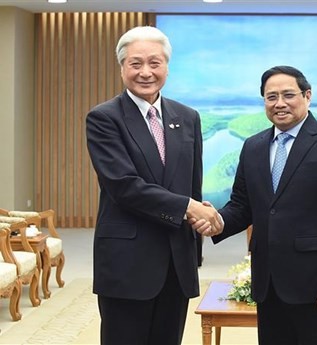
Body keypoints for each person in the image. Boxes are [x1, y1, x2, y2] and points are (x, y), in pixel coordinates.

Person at [193, 65, 317, 344]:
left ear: (307, 96)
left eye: (288, 95)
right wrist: (217, 221)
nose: (280, 103)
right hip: (269, 284)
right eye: (271, 97)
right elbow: (242, 205)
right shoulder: (253, 146)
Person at [86, 26, 222, 345]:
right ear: (122, 67)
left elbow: (193, 185)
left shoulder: (187, 117)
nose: (146, 72)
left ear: (166, 67)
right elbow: (123, 186)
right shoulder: (104, 118)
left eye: (154, 63)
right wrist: (187, 207)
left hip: (177, 261)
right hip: (127, 262)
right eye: (136, 63)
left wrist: (199, 220)